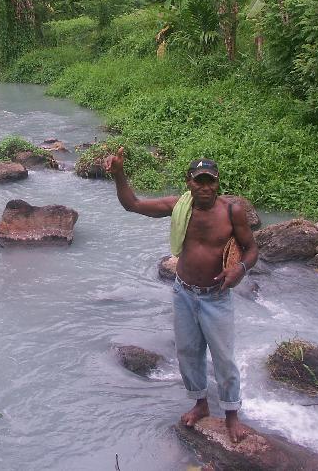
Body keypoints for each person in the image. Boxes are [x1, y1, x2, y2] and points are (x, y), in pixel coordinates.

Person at [104, 149, 258, 443]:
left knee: (224, 358)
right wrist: (119, 173)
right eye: (199, 181)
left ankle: (232, 415)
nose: (204, 187)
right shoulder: (178, 207)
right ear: (188, 182)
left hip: (217, 296)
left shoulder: (231, 212)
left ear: (217, 183)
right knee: (188, 353)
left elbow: (251, 249)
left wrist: (239, 269)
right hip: (184, 292)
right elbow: (132, 204)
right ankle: (200, 404)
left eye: (210, 181)